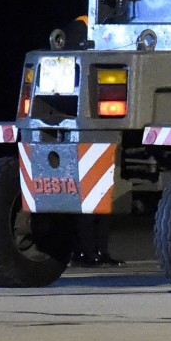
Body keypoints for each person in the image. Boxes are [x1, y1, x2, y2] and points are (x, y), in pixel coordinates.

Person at [58, 15, 125, 268]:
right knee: (90, 195)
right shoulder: (81, 28)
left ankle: (96, 251)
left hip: (99, 122)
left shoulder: (88, 28)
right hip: (88, 122)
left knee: (100, 193)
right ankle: (86, 251)